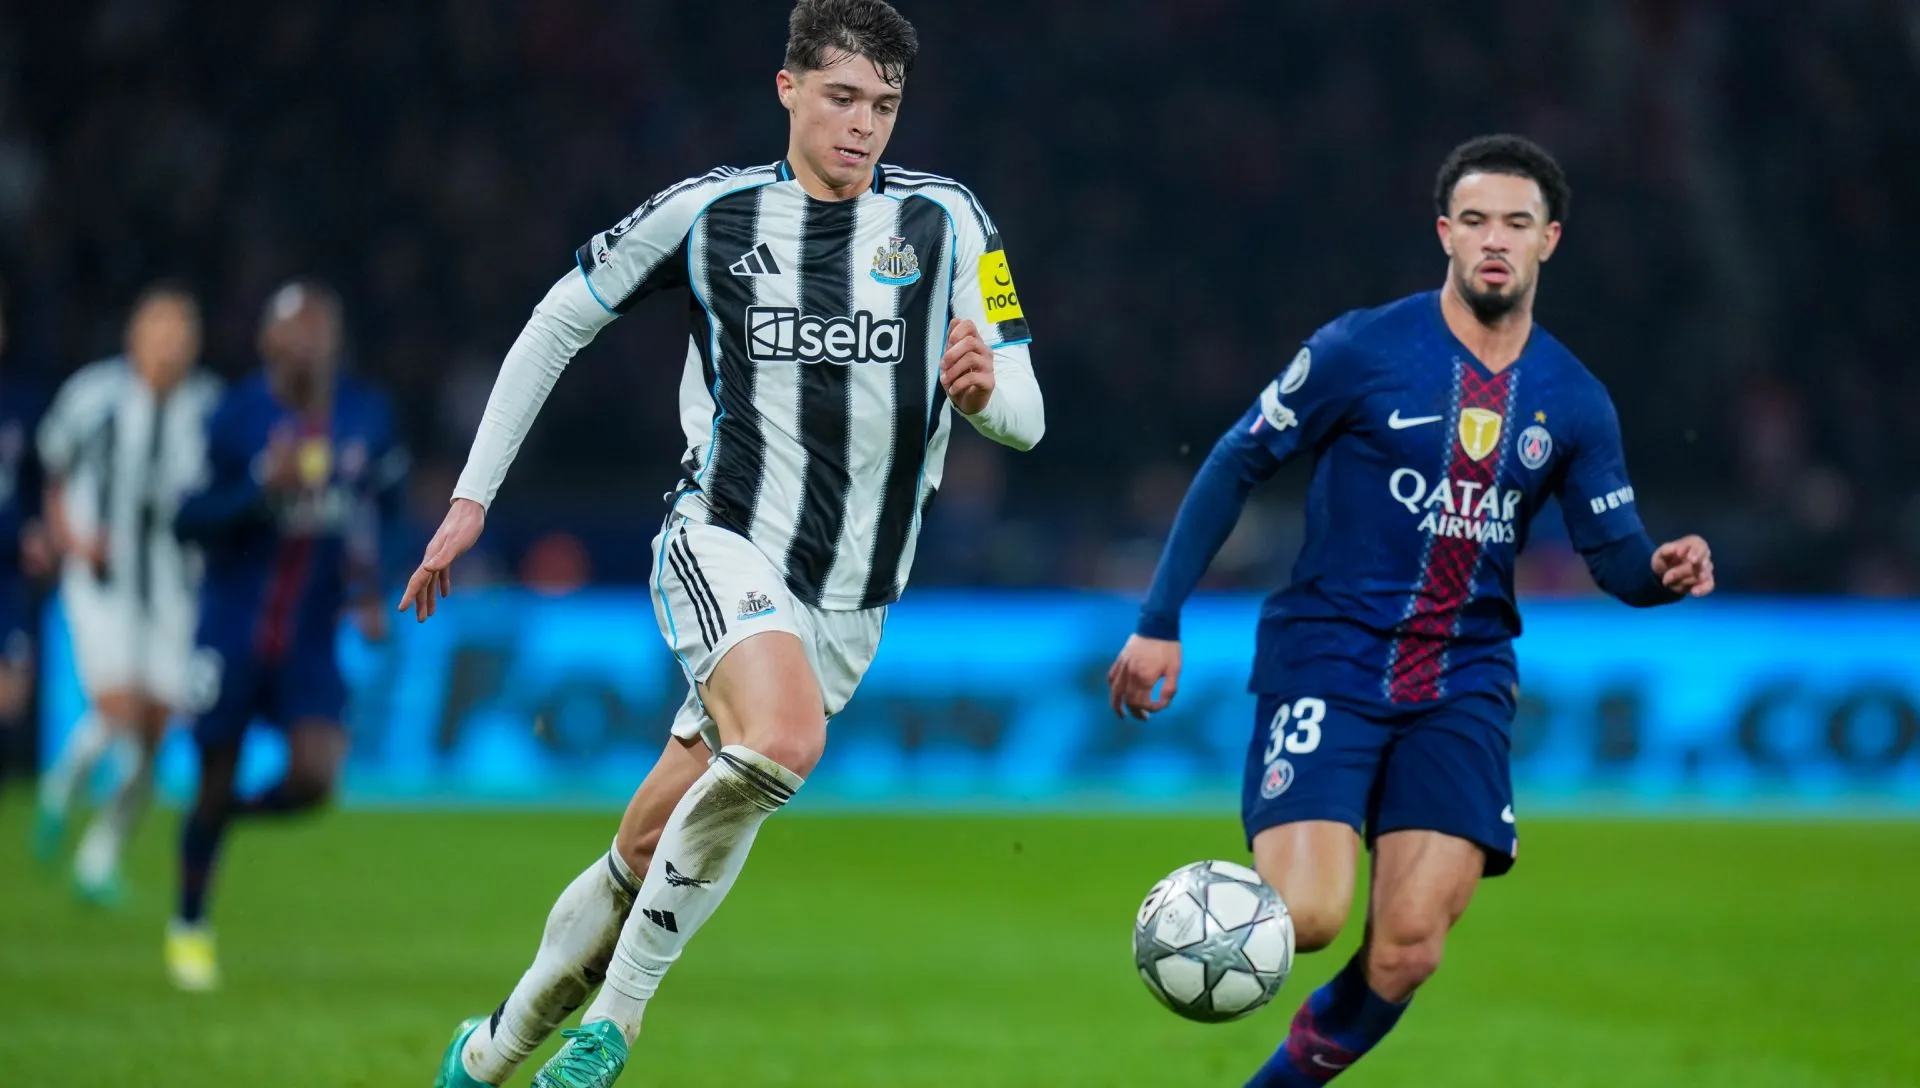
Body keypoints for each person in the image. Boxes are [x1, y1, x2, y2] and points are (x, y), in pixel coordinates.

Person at [407, 2, 1044, 1084]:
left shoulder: (951, 221)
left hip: (855, 593)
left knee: (651, 844)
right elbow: (562, 315)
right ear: (787, 87)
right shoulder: (712, 213)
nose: (863, 127)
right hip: (724, 538)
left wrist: (984, 394)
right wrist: (473, 498)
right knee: (787, 738)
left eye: (884, 106)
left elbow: (1026, 406)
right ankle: (617, 1020)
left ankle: (486, 1052)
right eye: (842, 98)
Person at [1106, 134, 1715, 1086]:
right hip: (1330, 659)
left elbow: (1615, 558)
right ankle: (1195, 910)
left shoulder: (1575, 401)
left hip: (1463, 681)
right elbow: (1237, 461)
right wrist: (1159, 618)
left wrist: (1663, 572)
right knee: (1304, 920)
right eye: (1475, 221)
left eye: (1516, 222)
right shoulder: (1360, 350)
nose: (1494, 240)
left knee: (1408, 950)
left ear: (1550, 239)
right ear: (1445, 233)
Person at [166, 280, 403, 991]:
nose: (307, 343)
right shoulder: (232, 416)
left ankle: (222, 820)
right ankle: (188, 926)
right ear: (267, 341)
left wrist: (371, 590)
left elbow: (385, 513)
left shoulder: (366, 415)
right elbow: (186, 519)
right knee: (212, 775)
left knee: (315, 777)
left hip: (309, 639)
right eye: (293, 331)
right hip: (232, 629)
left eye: (319, 330)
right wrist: (254, 490)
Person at [31, 283, 218, 903]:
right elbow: (53, 473)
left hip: (170, 588)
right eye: (161, 331)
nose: (172, 345)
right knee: (122, 713)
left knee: (155, 734)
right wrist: (70, 538)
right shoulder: (95, 397)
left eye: (182, 333)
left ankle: (98, 855)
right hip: (101, 582)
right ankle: (64, 787)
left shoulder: (208, 407)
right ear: (136, 336)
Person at [0, 280, 53, 800]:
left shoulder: (19, 405)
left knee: (12, 697)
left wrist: (39, 527)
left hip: (7, 568)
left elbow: (39, 482)